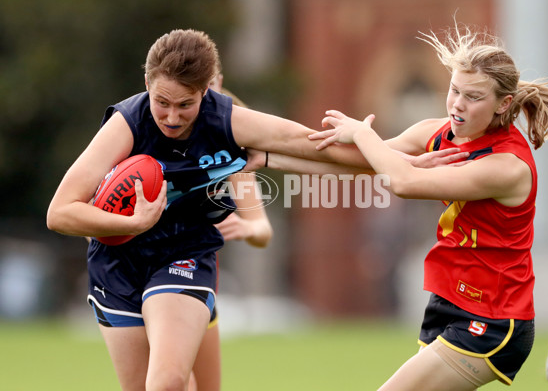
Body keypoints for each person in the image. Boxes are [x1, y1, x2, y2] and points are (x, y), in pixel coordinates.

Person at [46, 28, 469, 390]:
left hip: (183, 255)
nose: (172, 117)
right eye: (162, 102)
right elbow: (61, 212)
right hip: (117, 263)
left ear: (207, 91)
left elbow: (312, 146)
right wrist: (132, 221)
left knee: (168, 383)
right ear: (147, 83)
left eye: (185, 105)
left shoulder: (228, 121)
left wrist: (403, 161)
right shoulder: (127, 124)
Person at [253, 22, 548, 390]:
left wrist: (363, 133)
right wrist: (266, 157)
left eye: (473, 97)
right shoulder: (438, 132)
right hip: (448, 302)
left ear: (503, 104)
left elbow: (403, 182)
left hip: (492, 320)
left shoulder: (507, 166)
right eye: (454, 90)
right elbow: (359, 161)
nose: (457, 105)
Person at [191, 69, 274, 391]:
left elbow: (262, 230)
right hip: (136, 280)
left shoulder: (227, 148)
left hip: (197, 279)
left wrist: (246, 227)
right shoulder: (139, 131)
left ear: (220, 82)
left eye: (208, 87)